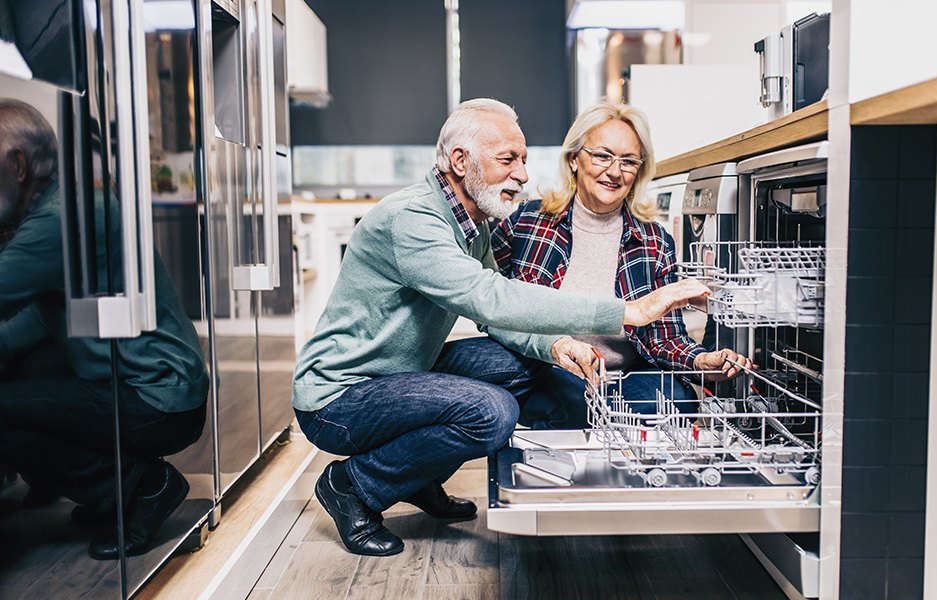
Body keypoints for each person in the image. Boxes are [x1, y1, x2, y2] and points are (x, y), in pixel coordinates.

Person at [292, 98, 710, 557]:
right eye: (508, 159)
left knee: (522, 367)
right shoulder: (413, 219)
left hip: (403, 372)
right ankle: (351, 485)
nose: (523, 174)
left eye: (525, 160)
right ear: (460, 161)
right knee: (491, 412)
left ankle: (417, 476)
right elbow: (488, 295)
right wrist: (626, 312)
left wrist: (554, 348)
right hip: (340, 395)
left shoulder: (473, 225)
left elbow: (496, 316)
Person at [0, 99, 209, 559]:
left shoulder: (57, 222)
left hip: (158, 399)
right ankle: (111, 491)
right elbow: (40, 316)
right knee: (23, 369)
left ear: (17, 164)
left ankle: (143, 485)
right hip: (155, 381)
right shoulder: (66, 204)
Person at [491, 98, 753, 429]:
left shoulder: (654, 240)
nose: (614, 171)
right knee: (568, 399)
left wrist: (701, 361)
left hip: (627, 375)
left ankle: (601, 427)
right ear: (574, 159)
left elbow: (664, 337)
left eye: (628, 161)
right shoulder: (526, 222)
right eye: (602, 156)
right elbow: (491, 300)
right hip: (551, 369)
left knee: (677, 400)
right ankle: (594, 424)